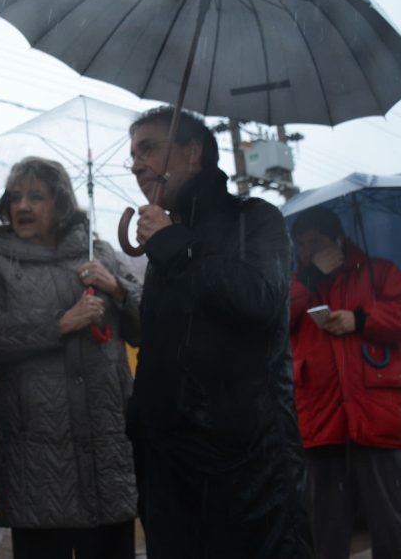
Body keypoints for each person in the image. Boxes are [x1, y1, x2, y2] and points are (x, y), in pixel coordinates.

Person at [126, 106, 312, 558]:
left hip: (246, 475)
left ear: (192, 154)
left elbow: (260, 302)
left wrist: (174, 245)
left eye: (148, 148)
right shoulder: (168, 238)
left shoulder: (255, 220)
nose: (135, 164)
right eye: (132, 155)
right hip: (171, 473)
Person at [0, 157, 141, 559]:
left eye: (36, 196)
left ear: (61, 204)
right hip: (36, 466)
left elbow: (148, 325)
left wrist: (115, 287)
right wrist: (60, 323)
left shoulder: (100, 254)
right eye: (15, 198)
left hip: (106, 455)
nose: (23, 206)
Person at [289, 205, 401, 558]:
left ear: (337, 239)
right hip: (321, 422)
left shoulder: (378, 273)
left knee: (391, 526)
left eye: (316, 241)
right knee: (326, 530)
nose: (308, 251)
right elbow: (272, 318)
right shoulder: (295, 284)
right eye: (300, 244)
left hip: (379, 418)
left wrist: (361, 319)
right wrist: (310, 280)